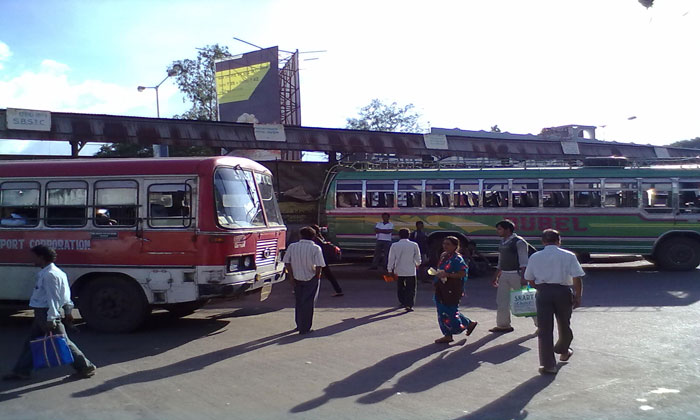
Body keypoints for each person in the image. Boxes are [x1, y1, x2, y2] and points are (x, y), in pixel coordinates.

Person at [3, 245, 96, 381]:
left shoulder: (49, 275)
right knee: (32, 342)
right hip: (44, 313)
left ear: (41, 257)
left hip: (46, 313)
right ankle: (21, 370)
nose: (32, 260)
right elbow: (65, 296)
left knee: (62, 342)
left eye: (34, 257)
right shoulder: (57, 273)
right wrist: (68, 310)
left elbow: (53, 298)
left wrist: (51, 318)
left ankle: (85, 366)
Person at [524, 229, 585, 375]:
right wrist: (578, 296)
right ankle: (563, 349)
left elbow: (529, 278)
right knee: (564, 323)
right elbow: (577, 277)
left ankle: (548, 365)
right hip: (563, 291)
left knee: (544, 329)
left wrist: (540, 288)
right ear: (559, 240)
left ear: (543, 241)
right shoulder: (569, 256)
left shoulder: (535, 256)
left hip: (543, 292)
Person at [490, 219, 536, 333]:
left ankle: (540, 325)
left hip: (516, 274)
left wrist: (524, 277)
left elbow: (524, 260)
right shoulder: (502, 242)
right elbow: (500, 261)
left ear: (508, 229)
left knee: (526, 301)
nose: (498, 231)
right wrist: (496, 275)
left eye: (500, 229)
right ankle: (503, 325)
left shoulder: (519, 242)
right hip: (504, 274)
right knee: (502, 301)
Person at [433, 236, 478, 344]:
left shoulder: (458, 259)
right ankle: (447, 335)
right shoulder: (444, 256)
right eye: (444, 244)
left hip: (452, 288)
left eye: (448, 244)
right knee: (442, 311)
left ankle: (466, 324)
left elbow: (462, 273)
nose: (445, 246)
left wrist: (448, 274)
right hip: (441, 286)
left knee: (451, 311)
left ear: (455, 246)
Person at [283, 227, 326, 335]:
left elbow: (286, 262)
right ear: (313, 237)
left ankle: (299, 324)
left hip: (296, 277)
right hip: (311, 277)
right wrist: (317, 276)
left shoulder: (292, 247)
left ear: (300, 235)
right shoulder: (316, 248)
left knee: (299, 302)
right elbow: (319, 265)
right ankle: (305, 328)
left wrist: (291, 277)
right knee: (308, 303)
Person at [387, 228, 422, 311]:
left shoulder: (394, 245)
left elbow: (391, 258)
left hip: (398, 270)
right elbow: (418, 257)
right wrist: (418, 264)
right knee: (411, 288)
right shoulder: (414, 245)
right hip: (410, 270)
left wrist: (389, 269)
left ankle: (402, 301)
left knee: (400, 287)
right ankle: (409, 305)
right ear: (409, 235)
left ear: (399, 235)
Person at [310, 224, 344, 297]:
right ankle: (338, 290)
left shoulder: (315, 239)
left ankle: (309, 291)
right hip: (323, 259)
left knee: (313, 275)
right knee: (329, 275)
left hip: (318, 259)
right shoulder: (321, 238)